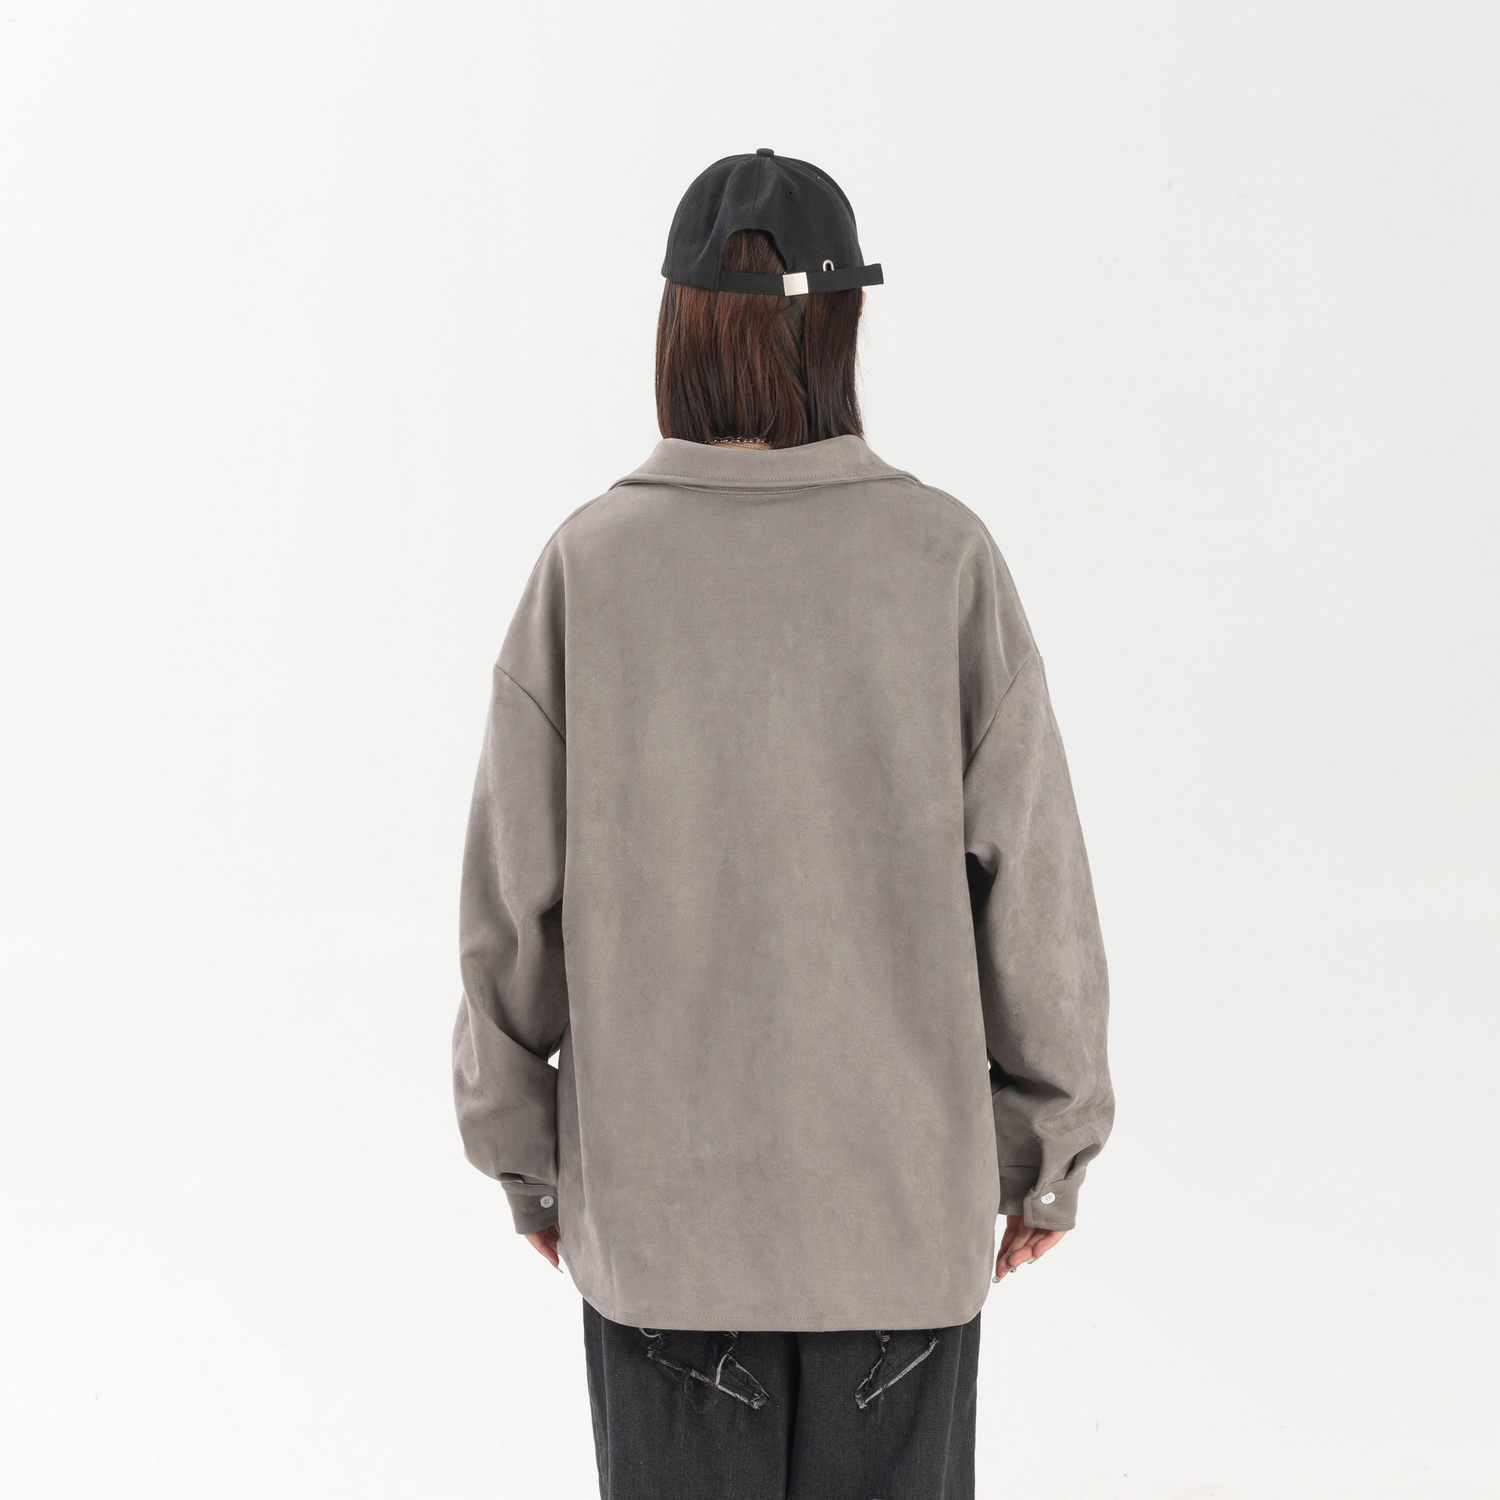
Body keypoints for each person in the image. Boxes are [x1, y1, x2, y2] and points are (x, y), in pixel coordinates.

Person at [451, 148, 1114, 1500]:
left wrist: (525, 1155)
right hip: (898, 1235)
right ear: (842, 323)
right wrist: (1046, 1153)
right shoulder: (942, 561)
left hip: (663, 1245)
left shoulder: (590, 569)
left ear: (674, 327)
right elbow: (1034, 894)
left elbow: (511, 903)